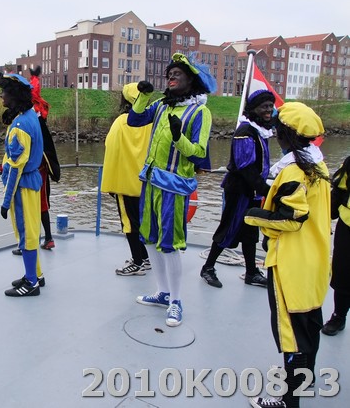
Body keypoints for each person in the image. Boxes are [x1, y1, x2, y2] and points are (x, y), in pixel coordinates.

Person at [245, 102, 331, 408]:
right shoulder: (318, 166)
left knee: (291, 333)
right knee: (310, 323)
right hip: (315, 259)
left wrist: (253, 215)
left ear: (285, 134)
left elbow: (292, 219)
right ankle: (305, 379)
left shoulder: (293, 172)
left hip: (290, 264)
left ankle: (288, 400)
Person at [128, 53, 217, 326]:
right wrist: (143, 96)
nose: (171, 77)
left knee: (170, 243)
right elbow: (134, 120)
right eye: (170, 74)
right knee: (150, 239)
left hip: (175, 187)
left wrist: (178, 137)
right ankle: (162, 292)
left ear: (191, 80)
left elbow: (199, 153)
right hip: (150, 181)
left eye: (177, 73)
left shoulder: (200, 112)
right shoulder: (162, 105)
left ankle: (176, 301)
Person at [200, 90, 275, 288]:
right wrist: (266, 189)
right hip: (239, 190)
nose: (269, 110)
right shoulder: (245, 131)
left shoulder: (259, 130)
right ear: (254, 108)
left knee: (250, 233)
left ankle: (251, 272)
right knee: (228, 228)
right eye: (264, 106)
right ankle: (207, 267)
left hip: (252, 192)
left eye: (270, 105)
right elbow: (244, 166)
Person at [0, 72, 44, 297]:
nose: (1, 96)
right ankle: (35, 275)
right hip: (32, 183)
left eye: (4, 92)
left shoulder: (19, 125)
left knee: (26, 234)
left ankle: (31, 283)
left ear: (14, 95)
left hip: (22, 187)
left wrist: (5, 202)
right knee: (32, 231)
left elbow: (16, 167)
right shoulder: (30, 116)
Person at [101, 82, 152, 276]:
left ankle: (137, 262)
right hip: (145, 182)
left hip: (125, 182)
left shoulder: (122, 122)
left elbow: (111, 148)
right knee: (140, 221)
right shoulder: (150, 121)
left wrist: (110, 182)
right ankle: (145, 258)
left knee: (129, 223)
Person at [10, 66, 61, 256]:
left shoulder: (28, 120)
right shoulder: (35, 119)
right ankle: (45, 238)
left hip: (35, 168)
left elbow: (24, 149)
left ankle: (31, 242)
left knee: (32, 205)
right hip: (39, 167)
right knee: (40, 204)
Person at [322, 155, 350, 336]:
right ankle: (339, 316)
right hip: (347, 225)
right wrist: (326, 217)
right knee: (343, 273)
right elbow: (339, 190)